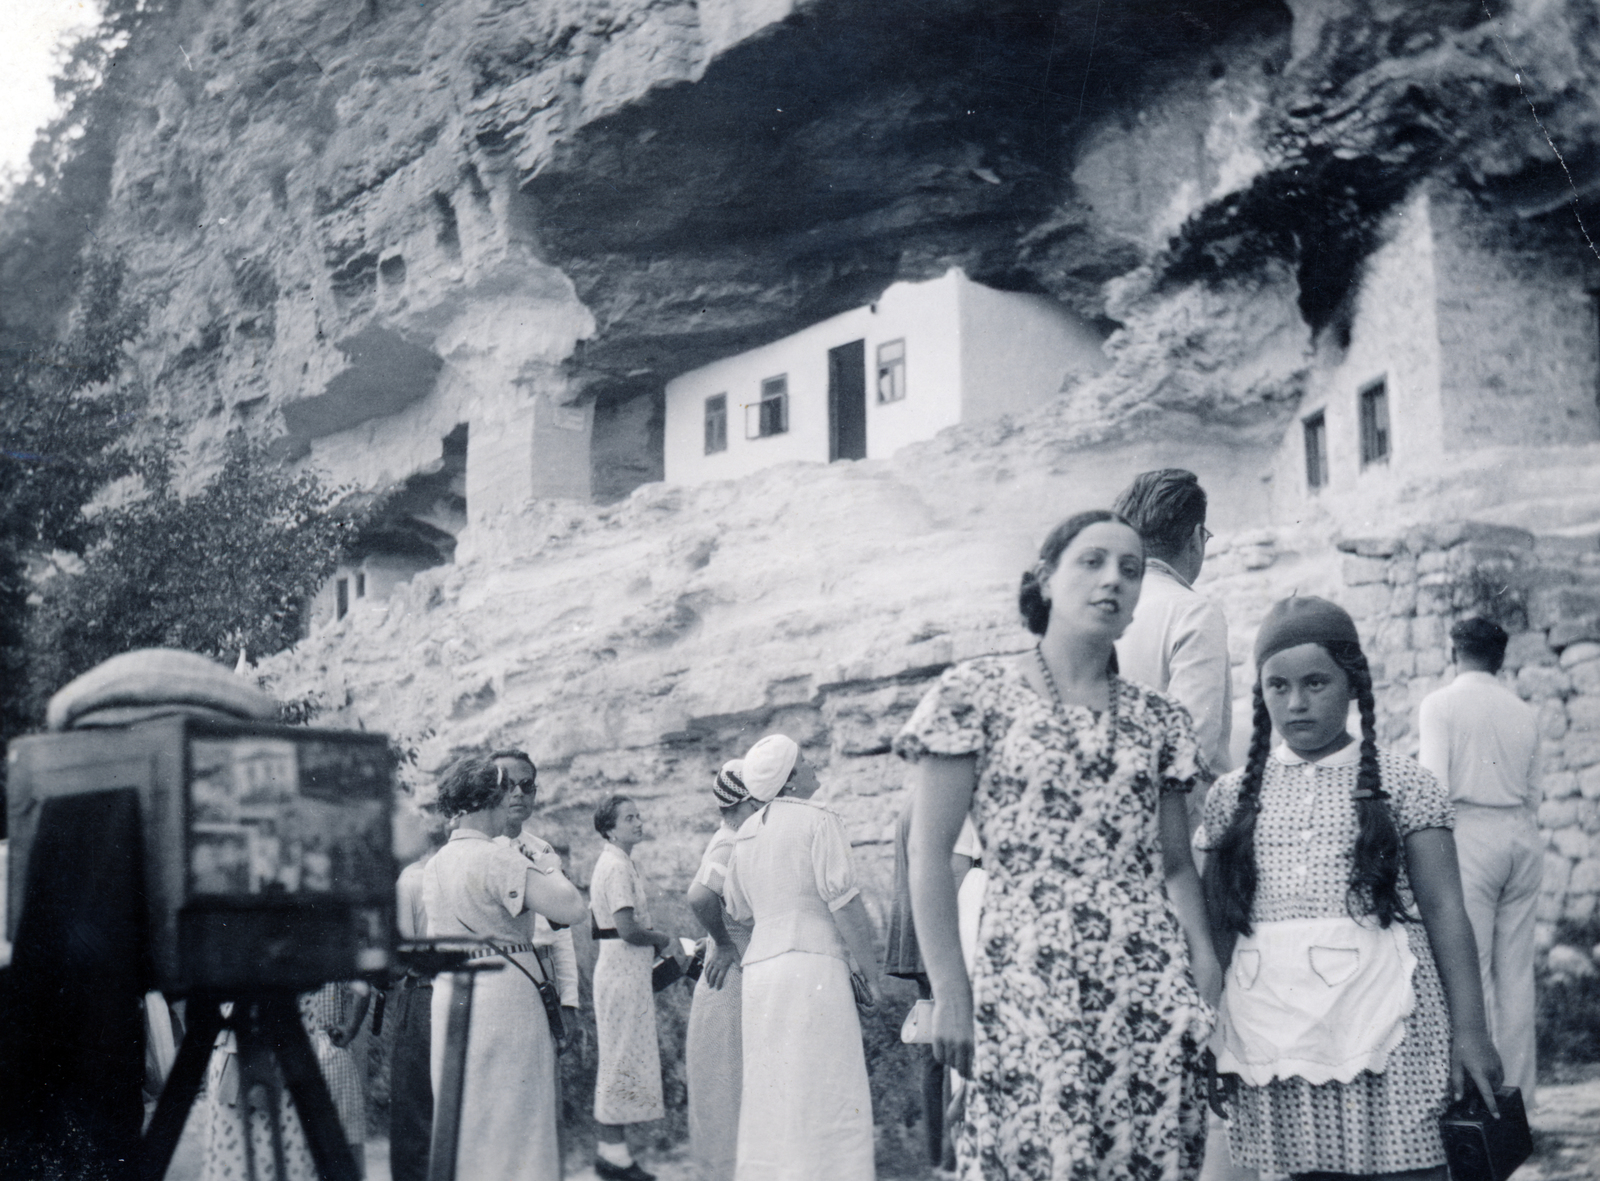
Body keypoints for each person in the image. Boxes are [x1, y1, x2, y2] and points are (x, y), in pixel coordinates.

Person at [899, 509, 1220, 1181]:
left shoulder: (1159, 720)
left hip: (1149, 983)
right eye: (1093, 561)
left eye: (1131, 570)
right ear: (1044, 579)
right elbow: (927, 857)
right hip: (1026, 975)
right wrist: (951, 990)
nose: (1114, 581)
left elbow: (1177, 865)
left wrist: (1203, 967)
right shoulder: (973, 696)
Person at [1201, 596, 1503, 1180]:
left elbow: (1445, 909)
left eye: (1316, 683)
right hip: (1280, 1037)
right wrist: (1211, 1034)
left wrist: (1471, 1030)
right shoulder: (1230, 798)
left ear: (1352, 683)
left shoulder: (1407, 785)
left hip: (1395, 1037)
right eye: (1278, 687)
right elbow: (1216, 924)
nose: (1297, 703)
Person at [722, 735, 880, 1181]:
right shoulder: (819, 820)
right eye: (806, 763)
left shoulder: (745, 833)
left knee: (775, 1090)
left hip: (761, 972)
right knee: (827, 1079)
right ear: (790, 779)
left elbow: (737, 908)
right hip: (812, 965)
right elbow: (844, 903)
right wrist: (871, 973)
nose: (815, 769)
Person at [423, 755, 588, 1181]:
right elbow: (571, 909)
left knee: (468, 1116)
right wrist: (549, 864)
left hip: (451, 989)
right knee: (517, 1121)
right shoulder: (497, 858)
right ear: (492, 799)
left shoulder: (436, 863)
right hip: (504, 990)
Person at [1418, 617, 1541, 1106]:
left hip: (1469, 833)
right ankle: (1520, 1102)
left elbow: (1432, 789)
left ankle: (1481, 1099)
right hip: (1520, 834)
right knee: (1516, 973)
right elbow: (1534, 792)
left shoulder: (1440, 704)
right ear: (1501, 658)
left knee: (1473, 966)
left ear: (1454, 652)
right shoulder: (1523, 710)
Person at [1112, 469, 1233, 803]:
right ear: (1195, 537)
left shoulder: (1105, 608)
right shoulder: (1194, 612)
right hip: (1184, 831)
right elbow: (1192, 749)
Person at [590, 795, 686, 1181]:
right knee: (619, 1060)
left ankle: (613, 1151)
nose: (638, 822)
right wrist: (663, 939)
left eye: (638, 815)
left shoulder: (619, 862)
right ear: (610, 828)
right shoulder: (614, 865)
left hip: (623, 969)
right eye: (629, 818)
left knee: (623, 1057)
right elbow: (627, 930)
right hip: (621, 970)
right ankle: (612, 1155)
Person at [684, 761, 763, 1181]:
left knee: (730, 1080)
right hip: (730, 975)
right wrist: (724, 940)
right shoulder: (730, 842)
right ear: (745, 801)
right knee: (727, 1081)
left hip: (734, 972)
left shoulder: (732, 838)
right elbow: (699, 896)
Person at [390, 808, 450, 1181]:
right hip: (457, 992)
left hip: (421, 992)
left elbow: (403, 952)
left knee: (413, 1102)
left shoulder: (408, 881)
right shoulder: (449, 876)